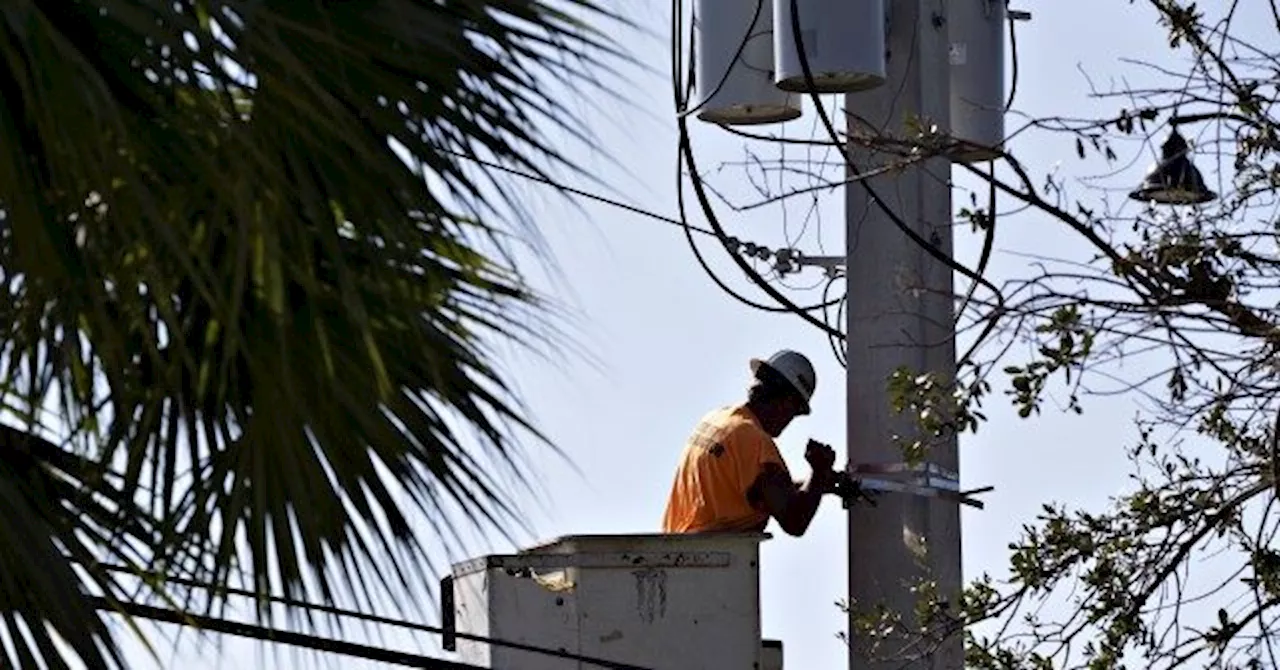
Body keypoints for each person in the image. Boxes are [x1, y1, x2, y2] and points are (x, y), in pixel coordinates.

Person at [661, 349, 838, 536]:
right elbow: (794, 520)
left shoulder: (718, 420)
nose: (791, 419)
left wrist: (815, 485)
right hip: (716, 558)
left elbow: (759, 490)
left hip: (677, 552)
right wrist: (819, 473)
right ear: (786, 402)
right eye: (795, 411)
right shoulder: (755, 442)